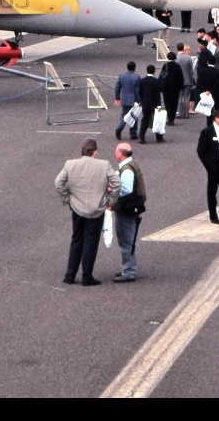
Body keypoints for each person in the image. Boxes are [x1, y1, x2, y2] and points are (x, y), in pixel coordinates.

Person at [53, 138, 119, 285]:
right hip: (96, 209)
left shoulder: (70, 164)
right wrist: (111, 201)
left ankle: (70, 274)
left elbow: (58, 182)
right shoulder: (104, 165)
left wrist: (67, 199)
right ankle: (87, 275)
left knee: (76, 239)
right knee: (91, 241)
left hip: (77, 207)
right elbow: (117, 183)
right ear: (94, 151)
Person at [112, 142, 146, 282]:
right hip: (132, 208)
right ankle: (127, 268)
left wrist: (111, 194)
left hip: (126, 209)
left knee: (126, 240)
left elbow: (125, 190)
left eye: (116, 151)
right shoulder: (132, 165)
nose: (115, 154)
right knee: (127, 239)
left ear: (121, 153)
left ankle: (129, 272)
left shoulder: (126, 170)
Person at [136, 64, 162, 144]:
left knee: (145, 120)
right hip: (153, 104)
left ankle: (141, 136)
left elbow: (139, 92)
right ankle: (159, 137)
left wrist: (140, 101)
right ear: (154, 71)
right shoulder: (156, 81)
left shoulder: (142, 81)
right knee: (156, 120)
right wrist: (159, 105)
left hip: (145, 103)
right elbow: (157, 94)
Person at [114, 61, 139, 141]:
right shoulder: (137, 77)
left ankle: (120, 128)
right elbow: (137, 90)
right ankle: (133, 133)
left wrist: (117, 98)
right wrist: (139, 100)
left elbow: (117, 88)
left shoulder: (122, 76)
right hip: (133, 99)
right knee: (134, 116)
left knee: (124, 115)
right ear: (134, 68)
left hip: (124, 98)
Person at [160, 53, 184, 127]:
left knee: (167, 103)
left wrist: (161, 86)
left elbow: (162, 76)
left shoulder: (165, 66)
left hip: (166, 88)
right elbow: (181, 78)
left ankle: (169, 117)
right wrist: (180, 87)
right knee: (174, 103)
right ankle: (172, 119)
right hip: (175, 88)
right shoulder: (177, 66)